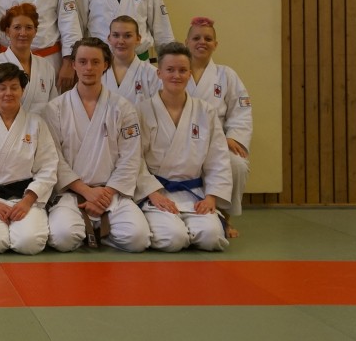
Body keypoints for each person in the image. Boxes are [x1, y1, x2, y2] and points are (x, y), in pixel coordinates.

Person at [43, 37, 150, 252]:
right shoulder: (55, 108)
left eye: (95, 62)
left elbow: (130, 158)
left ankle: (95, 229)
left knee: (138, 239)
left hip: (111, 193)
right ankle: (93, 229)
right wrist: (86, 191)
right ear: (73, 65)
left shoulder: (123, 108)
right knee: (63, 238)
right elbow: (53, 158)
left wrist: (105, 194)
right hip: (72, 193)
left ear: (106, 65)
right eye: (82, 62)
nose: (89, 68)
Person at [135, 42, 232, 252]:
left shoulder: (205, 111)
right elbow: (134, 158)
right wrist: (152, 192)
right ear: (159, 73)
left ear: (190, 73)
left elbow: (218, 158)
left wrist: (211, 197)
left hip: (194, 193)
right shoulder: (142, 111)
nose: (176, 76)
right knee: (174, 239)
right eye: (170, 70)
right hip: (158, 192)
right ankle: (178, 229)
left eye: (182, 70)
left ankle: (192, 228)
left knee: (212, 238)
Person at [0, 63, 58, 255]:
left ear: (22, 90)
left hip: (25, 198)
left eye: (14, 87)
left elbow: (48, 167)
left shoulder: (36, 123)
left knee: (29, 243)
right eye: (2, 88)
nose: (8, 93)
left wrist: (28, 200)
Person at [185, 17, 252, 237]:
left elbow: (241, 110)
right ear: (186, 42)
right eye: (196, 38)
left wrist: (233, 137)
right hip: (181, 142)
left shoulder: (226, 75)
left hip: (216, 142)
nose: (201, 42)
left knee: (237, 165)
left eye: (207, 39)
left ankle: (225, 218)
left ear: (215, 44)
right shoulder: (176, 71)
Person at [0, 3, 57, 115]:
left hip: (41, 126)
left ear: (35, 32)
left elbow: (53, 110)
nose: (23, 33)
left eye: (29, 28)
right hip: (3, 126)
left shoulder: (46, 67)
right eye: (17, 27)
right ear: (8, 31)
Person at [102, 15, 161, 105]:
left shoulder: (152, 74)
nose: (121, 41)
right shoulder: (98, 72)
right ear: (109, 38)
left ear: (138, 39)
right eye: (116, 35)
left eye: (127, 36)